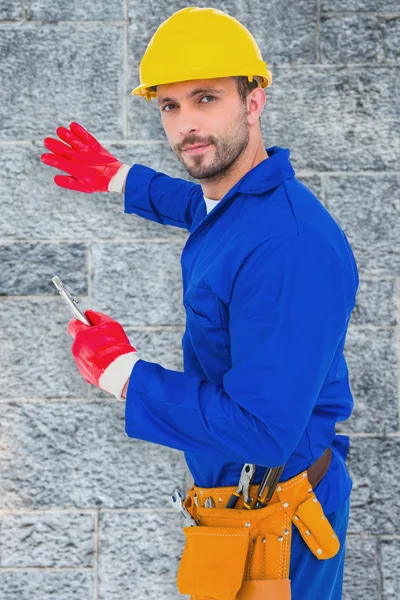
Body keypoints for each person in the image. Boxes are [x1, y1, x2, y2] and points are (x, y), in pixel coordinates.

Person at [40, 7, 359, 599]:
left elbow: (263, 430)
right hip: (246, 509)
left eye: (206, 98)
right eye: (170, 106)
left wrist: (122, 374)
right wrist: (121, 178)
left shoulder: (288, 247)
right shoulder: (246, 205)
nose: (187, 124)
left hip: (279, 527)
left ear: (254, 100)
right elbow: (205, 210)